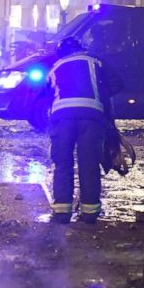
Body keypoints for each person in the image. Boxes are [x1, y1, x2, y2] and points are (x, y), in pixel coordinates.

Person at [47, 37, 112, 224]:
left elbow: (47, 96)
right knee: (89, 163)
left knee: (62, 163)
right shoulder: (95, 62)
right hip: (91, 117)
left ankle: (61, 212)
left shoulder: (55, 67)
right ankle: (90, 212)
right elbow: (116, 83)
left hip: (62, 119)